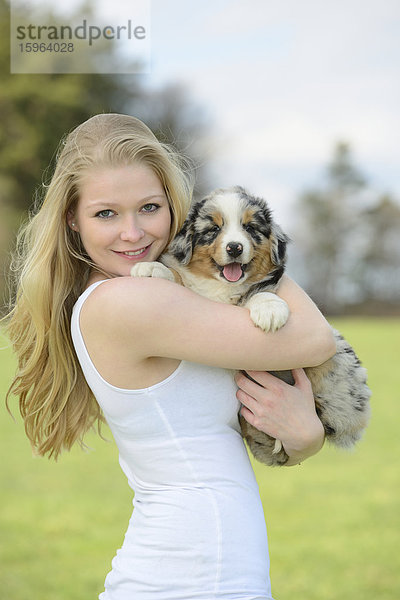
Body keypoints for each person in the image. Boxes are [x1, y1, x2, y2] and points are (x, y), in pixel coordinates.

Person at [5, 113, 335, 600]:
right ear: (72, 220)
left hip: (204, 570)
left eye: (149, 207)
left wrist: (303, 441)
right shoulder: (129, 303)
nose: (133, 233)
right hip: (190, 577)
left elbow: (206, 442)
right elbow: (315, 339)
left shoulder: (161, 292)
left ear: (174, 207)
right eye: (106, 214)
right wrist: (245, 234)